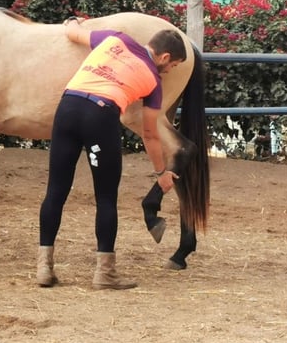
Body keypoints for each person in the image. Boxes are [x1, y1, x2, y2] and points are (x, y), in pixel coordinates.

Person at [37, 17, 187, 289]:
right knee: (106, 198)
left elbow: (74, 33)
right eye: (172, 65)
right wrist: (161, 173)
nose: (168, 71)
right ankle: (104, 274)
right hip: (100, 115)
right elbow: (150, 134)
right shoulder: (153, 81)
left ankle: (44, 268)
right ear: (164, 56)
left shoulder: (115, 39)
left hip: (68, 108)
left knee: (55, 191)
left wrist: (74, 21)